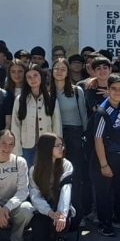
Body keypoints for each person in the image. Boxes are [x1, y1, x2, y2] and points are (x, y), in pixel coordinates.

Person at [92, 74, 120, 236]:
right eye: (114, 88)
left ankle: (119, 218)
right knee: (105, 192)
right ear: (108, 89)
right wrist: (104, 165)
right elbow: (98, 139)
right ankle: (104, 222)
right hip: (107, 157)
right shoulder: (103, 112)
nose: (118, 92)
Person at [51, 58, 92, 217]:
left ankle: (77, 214)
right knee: (56, 175)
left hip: (74, 135)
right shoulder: (47, 91)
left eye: (63, 69)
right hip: (55, 136)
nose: (59, 71)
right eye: (56, 68)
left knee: (75, 175)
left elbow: (83, 115)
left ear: (68, 72)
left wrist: (86, 136)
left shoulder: (76, 91)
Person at [29, 133, 79, 241]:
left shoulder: (66, 165)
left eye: (62, 145)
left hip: (61, 207)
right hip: (44, 210)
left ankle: (61, 232)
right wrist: (50, 212)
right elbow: (35, 196)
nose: (62, 148)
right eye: (58, 146)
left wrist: (61, 214)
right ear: (47, 148)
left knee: (60, 240)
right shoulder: (34, 170)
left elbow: (65, 191)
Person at [12, 63, 61, 164]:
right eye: (29, 77)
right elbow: (15, 125)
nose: (32, 79)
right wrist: (17, 149)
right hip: (26, 145)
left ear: (41, 77)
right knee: (27, 175)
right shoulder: (20, 99)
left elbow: (57, 124)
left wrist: (57, 146)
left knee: (45, 175)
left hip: (47, 145)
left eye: (35, 75)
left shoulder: (51, 99)